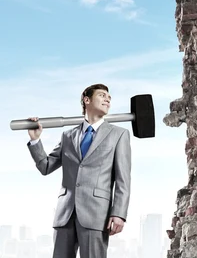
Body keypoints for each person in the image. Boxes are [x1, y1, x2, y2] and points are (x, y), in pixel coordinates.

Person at [26, 84, 132, 258]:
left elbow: (123, 179)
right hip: (65, 214)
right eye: (102, 95)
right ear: (87, 99)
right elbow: (46, 166)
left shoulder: (118, 135)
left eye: (109, 97)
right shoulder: (68, 136)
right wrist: (35, 140)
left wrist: (119, 214)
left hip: (96, 214)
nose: (107, 99)